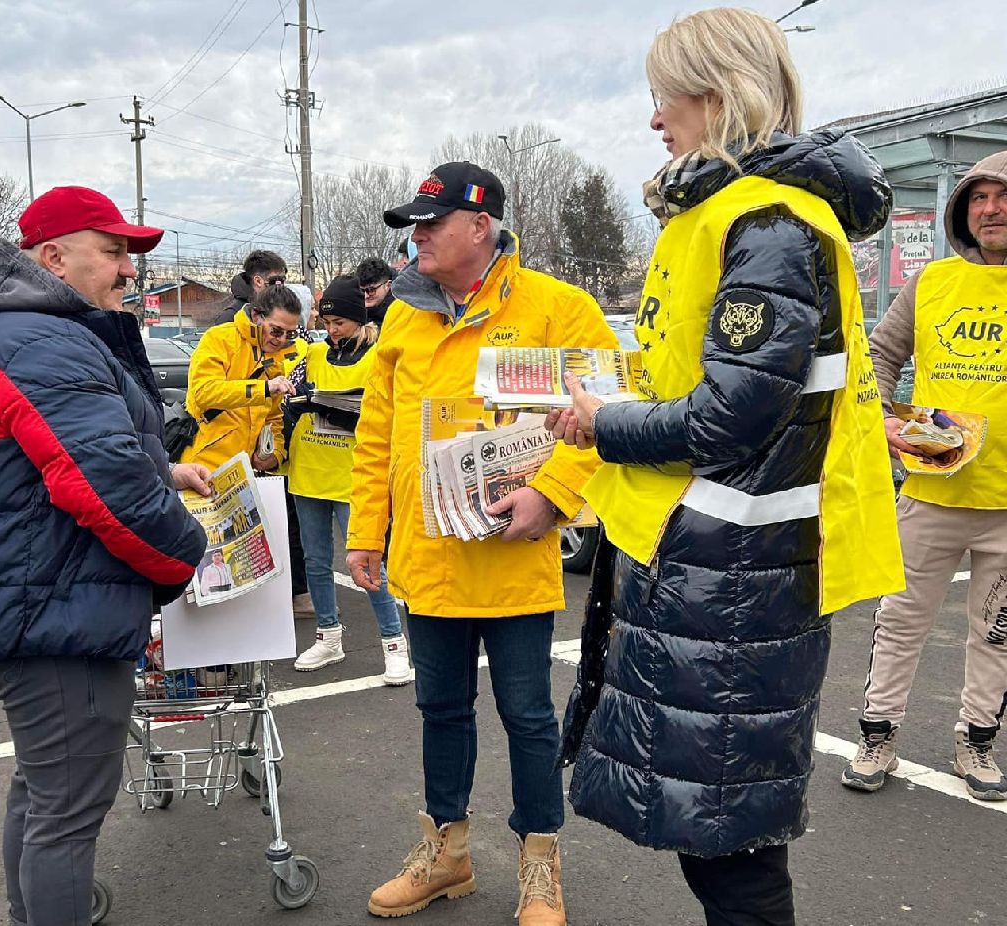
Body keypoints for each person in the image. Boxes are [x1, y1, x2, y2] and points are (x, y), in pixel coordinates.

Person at [547, 10, 904, 924]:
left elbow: (736, 409)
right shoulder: (727, 213)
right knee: (721, 833)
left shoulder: (767, 221)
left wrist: (607, 424)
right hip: (711, 559)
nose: (656, 119)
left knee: (731, 846)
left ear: (718, 92)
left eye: (664, 97)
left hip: (737, 570)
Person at [0, 186, 209, 926]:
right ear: (53, 257)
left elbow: (76, 453)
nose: (127, 270)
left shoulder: (26, 332)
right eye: (113, 251)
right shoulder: (42, 341)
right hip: (52, 611)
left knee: (44, 789)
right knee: (66, 811)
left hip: (38, 599)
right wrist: (192, 554)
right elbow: (103, 487)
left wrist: (167, 470)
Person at [348, 160, 614, 925]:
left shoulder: (557, 308)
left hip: (511, 556)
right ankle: (447, 852)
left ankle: (540, 862)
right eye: (412, 225)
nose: (418, 235)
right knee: (441, 708)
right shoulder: (403, 315)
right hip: (429, 556)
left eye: (431, 222)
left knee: (528, 714)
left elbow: (609, 414)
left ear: (481, 225)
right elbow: (375, 434)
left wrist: (552, 494)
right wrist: (366, 531)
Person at [841, 149, 1007, 800]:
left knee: (996, 630)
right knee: (901, 618)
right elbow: (879, 352)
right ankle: (878, 734)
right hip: (932, 489)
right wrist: (883, 419)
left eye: (1003, 196)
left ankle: (977, 740)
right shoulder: (932, 283)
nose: (991, 208)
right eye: (979, 198)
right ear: (964, 213)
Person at [284, 275, 410, 685]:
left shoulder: (376, 358)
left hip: (353, 476)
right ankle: (328, 635)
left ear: (359, 321)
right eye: (326, 320)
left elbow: (384, 414)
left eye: (339, 322)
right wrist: (298, 402)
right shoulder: (315, 353)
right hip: (308, 472)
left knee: (369, 562)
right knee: (316, 562)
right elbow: (289, 396)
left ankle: (394, 644)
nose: (331, 329)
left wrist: (340, 409)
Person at [181, 282, 314, 613]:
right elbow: (204, 394)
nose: (281, 340)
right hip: (202, 472)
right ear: (256, 315)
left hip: (246, 479)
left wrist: (274, 455)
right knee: (199, 572)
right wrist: (263, 388)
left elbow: (275, 422)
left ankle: (240, 659)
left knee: (241, 577)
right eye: (276, 330)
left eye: (290, 335)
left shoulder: (278, 359)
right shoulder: (220, 339)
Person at [224, 249, 288, 316]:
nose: (280, 287)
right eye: (276, 281)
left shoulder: (281, 309)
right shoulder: (232, 316)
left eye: (282, 281)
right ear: (258, 281)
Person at [355, 256, 395, 326]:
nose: (366, 296)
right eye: (361, 290)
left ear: (388, 286)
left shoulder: (400, 312)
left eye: (371, 290)